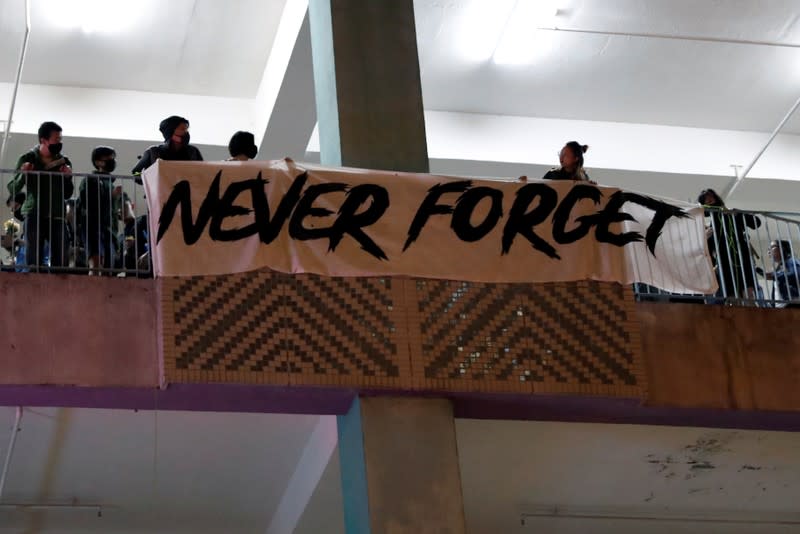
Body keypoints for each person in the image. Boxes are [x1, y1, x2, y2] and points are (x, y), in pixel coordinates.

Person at [7, 121, 74, 270]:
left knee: (61, 259)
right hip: (34, 212)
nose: (59, 143)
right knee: (33, 258)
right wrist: (24, 174)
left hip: (57, 214)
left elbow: (68, 193)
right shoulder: (28, 158)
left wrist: (68, 178)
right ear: (43, 140)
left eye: (60, 139)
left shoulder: (64, 161)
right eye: (56, 139)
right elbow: (12, 187)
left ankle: (58, 289)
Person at [698, 188, 761, 301]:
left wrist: (739, 213)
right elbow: (707, 251)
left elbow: (756, 223)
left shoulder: (733, 214)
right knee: (731, 296)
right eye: (706, 199)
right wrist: (706, 238)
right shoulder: (711, 227)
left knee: (748, 294)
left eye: (711, 197)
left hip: (742, 259)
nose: (709, 200)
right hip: (724, 263)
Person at [76, 146, 125, 274]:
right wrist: (111, 196)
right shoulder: (91, 180)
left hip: (110, 230)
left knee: (108, 267)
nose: (111, 160)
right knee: (96, 262)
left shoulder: (111, 183)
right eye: (108, 158)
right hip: (93, 227)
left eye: (113, 158)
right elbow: (89, 203)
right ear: (98, 162)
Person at [131, 115, 203, 175]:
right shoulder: (153, 151)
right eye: (182, 129)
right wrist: (148, 176)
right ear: (170, 131)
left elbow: (203, 172)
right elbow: (135, 173)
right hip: (160, 192)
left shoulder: (193, 151)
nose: (186, 132)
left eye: (187, 129)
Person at [765, 240, 800, 307]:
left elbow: (796, 273)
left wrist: (775, 275)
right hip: (782, 307)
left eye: (771, 247)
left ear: (782, 249)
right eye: (768, 249)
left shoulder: (792, 261)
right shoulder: (779, 267)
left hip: (792, 305)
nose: (768, 251)